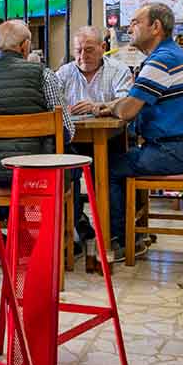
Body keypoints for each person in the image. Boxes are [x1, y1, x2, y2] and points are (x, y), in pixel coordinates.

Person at [96, 3, 183, 256]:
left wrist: (106, 107)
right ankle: (133, 230)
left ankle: (123, 241)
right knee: (121, 162)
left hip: (177, 149)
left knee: (108, 168)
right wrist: (111, 105)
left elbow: (128, 110)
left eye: (136, 22)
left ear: (155, 27)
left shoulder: (161, 60)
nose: (130, 27)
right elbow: (131, 102)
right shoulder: (168, 55)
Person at [0, 20, 74, 186]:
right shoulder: (44, 75)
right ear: (25, 46)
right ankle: (65, 212)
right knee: (71, 163)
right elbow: (67, 132)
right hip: (40, 176)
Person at [55, 26, 133, 244]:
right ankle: (75, 230)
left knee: (109, 174)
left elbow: (126, 102)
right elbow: (51, 105)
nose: (83, 56)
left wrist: (96, 106)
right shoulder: (64, 73)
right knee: (65, 175)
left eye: (89, 50)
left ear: (103, 47)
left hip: (110, 140)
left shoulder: (118, 70)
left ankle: (115, 235)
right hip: (73, 140)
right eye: (78, 50)